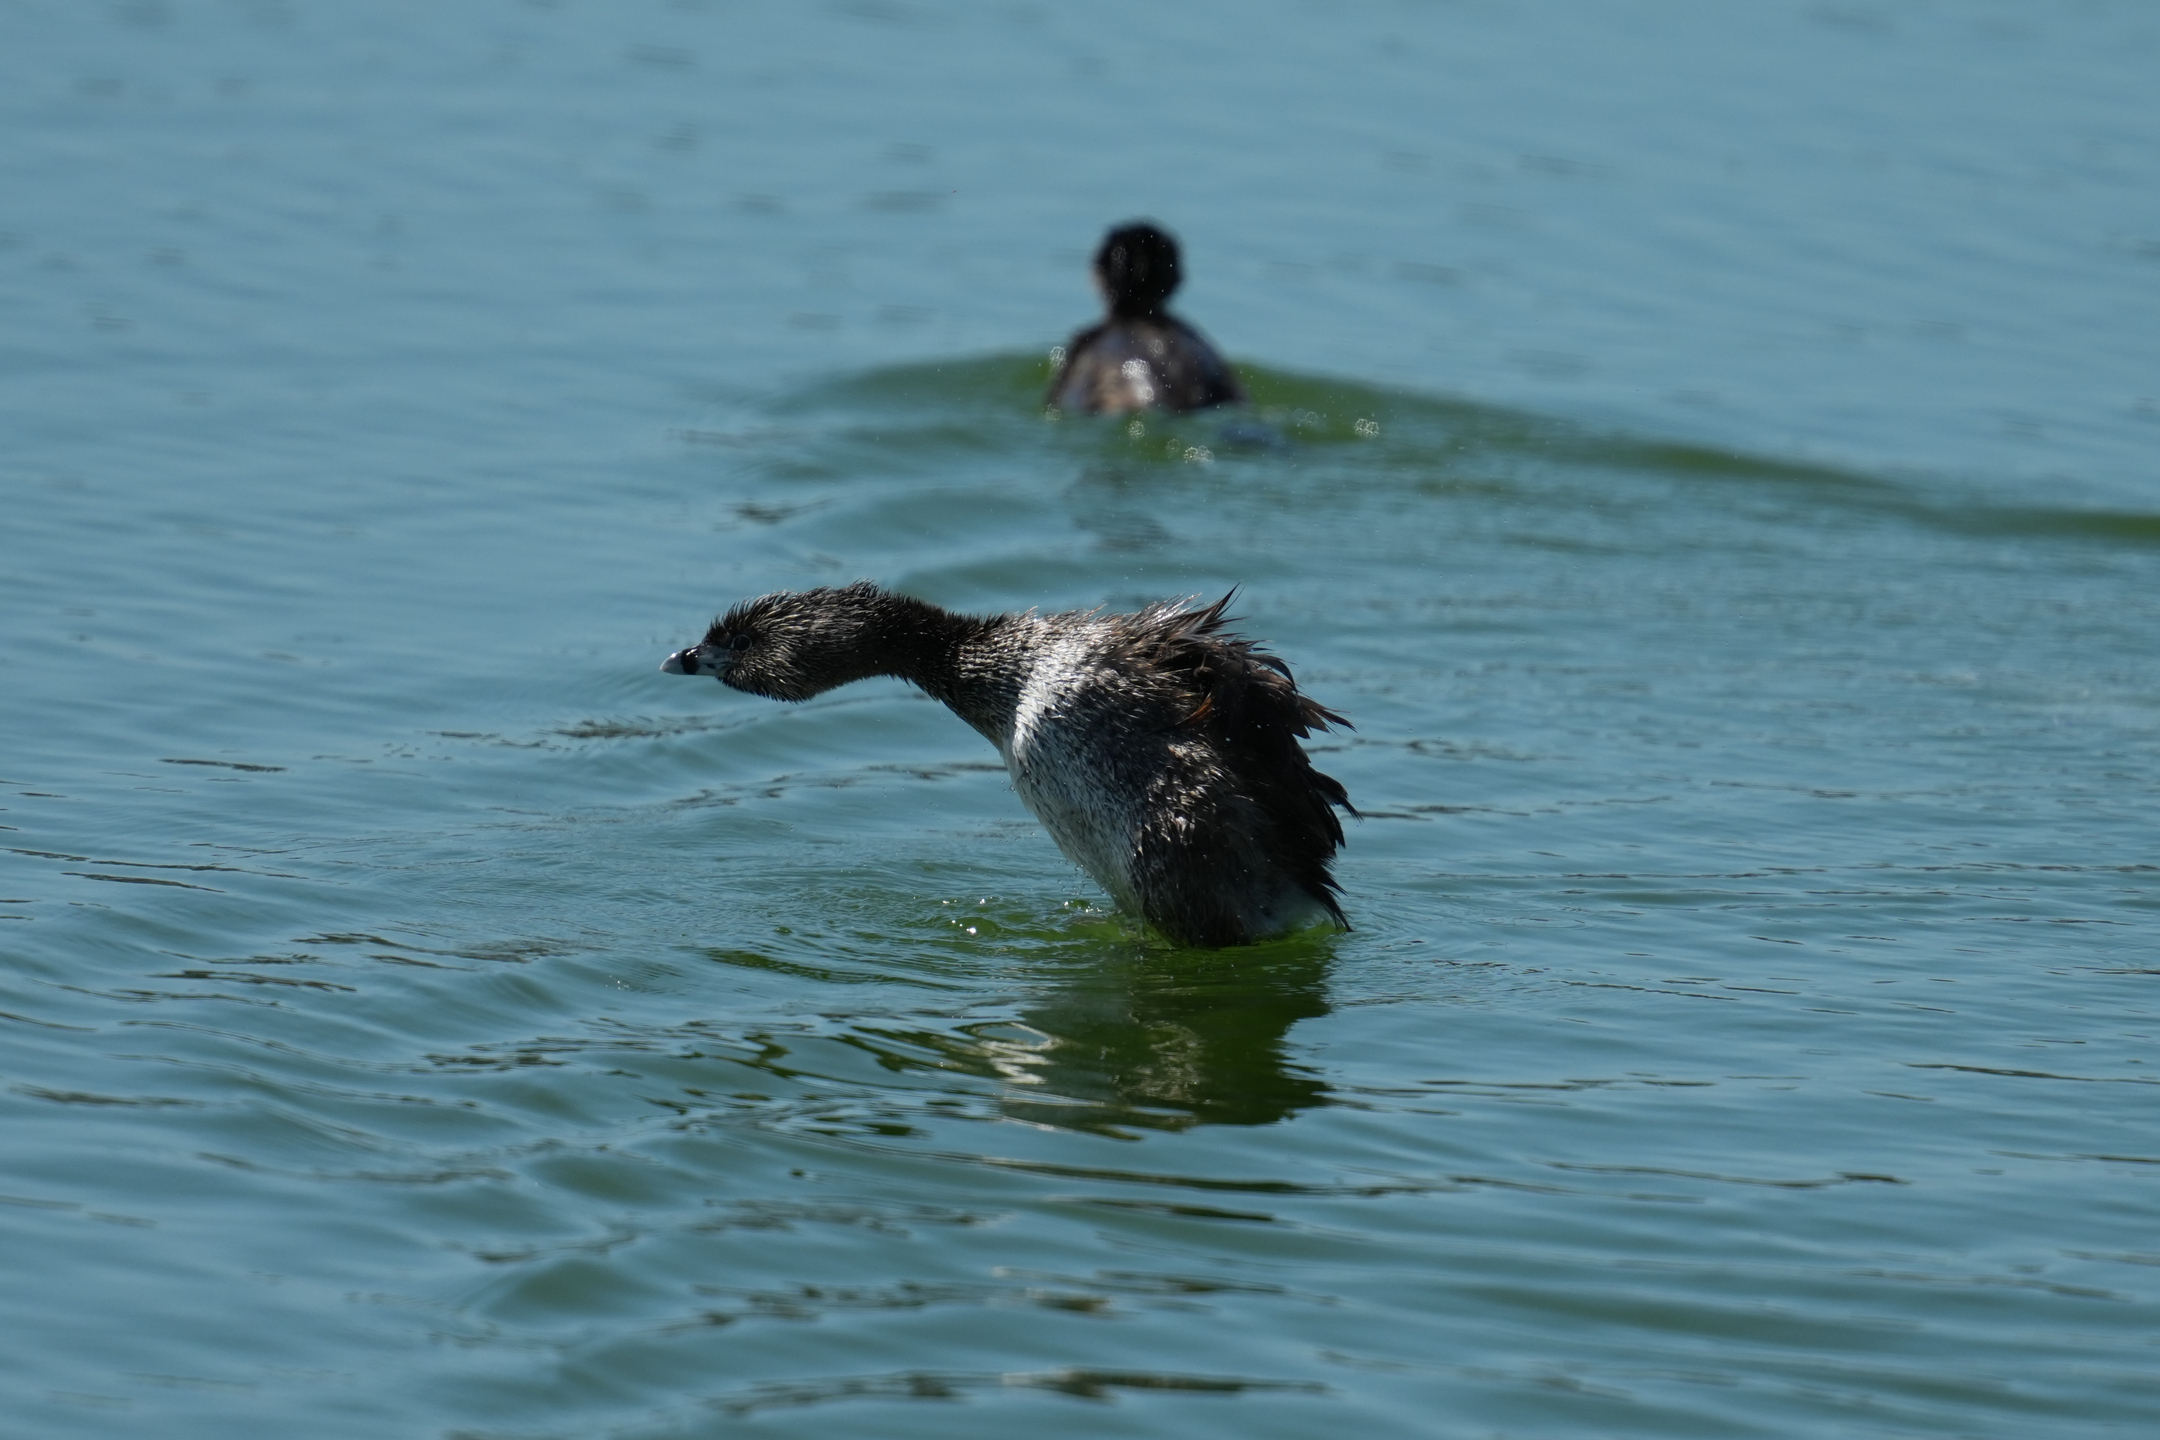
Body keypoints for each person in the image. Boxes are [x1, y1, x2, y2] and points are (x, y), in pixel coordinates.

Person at [1045, 222, 1247, 415]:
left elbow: (1062, 408)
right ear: (1177, 280)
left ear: (1097, 278)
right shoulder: (1201, 350)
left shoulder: (1091, 348)